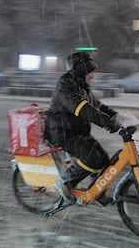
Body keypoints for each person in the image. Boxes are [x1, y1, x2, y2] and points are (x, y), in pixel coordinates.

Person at [47, 52, 122, 203]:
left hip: (78, 131)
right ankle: (65, 183)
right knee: (92, 158)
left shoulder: (82, 85)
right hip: (64, 133)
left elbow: (97, 105)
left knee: (104, 160)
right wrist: (107, 123)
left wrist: (117, 117)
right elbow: (82, 108)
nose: (93, 75)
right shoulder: (66, 85)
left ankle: (97, 191)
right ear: (81, 70)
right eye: (90, 71)